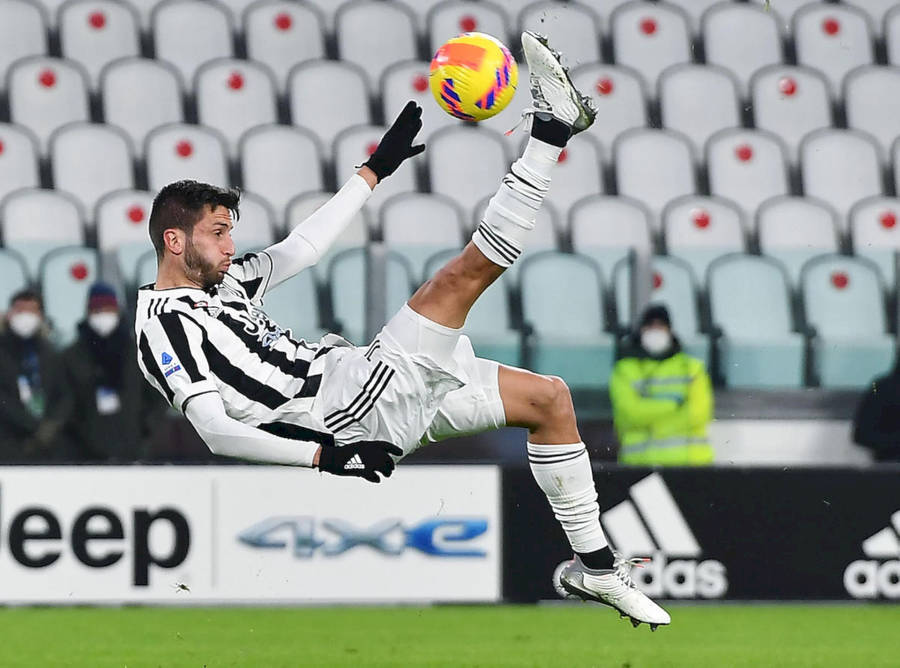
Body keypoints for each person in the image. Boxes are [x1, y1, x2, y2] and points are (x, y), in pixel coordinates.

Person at [135, 33, 669, 628]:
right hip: (344, 410)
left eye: (232, 231)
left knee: (549, 399)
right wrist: (321, 455)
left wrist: (373, 171)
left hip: (357, 388)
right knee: (460, 278)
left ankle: (594, 567)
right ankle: (551, 133)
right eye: (217, 233)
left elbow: (301, 250)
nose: (231, 246)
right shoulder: (163, 326)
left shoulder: (223, 281)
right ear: (174, 241)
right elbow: (215, 432)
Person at [61, 282, 166, 462]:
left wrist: (145, 430)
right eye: (97, 310)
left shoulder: (139, 353)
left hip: (133, 449)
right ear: (88, 313)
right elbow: (66, 403)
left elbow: (157, 397)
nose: (103, 316)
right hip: (85, 453)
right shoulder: (71, 357)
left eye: (108, 309)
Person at [610, 304, 714, 466]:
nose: (655, 331)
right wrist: (674, 405)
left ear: (670, 330)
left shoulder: (692, 368)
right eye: (650, 326)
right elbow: (628, 414)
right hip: (639, 467)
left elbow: (699, 414)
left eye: (660, 326)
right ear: (641, 331)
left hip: (691, 467)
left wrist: (651, 424)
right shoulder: (625, 370)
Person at [0, 289, 69, 462]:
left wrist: (49, 427)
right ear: (9, 314)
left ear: (40, 316)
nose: (25, 316)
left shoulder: (50, 354)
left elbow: (64, 395)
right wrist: (30, 425)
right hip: (7, 442)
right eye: (20, 310)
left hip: (46, 446)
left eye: (31, 311)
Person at [852, 362, 900, 462]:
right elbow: (862, 434)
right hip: (889, 467)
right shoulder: (881, 388)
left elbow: (861, 434)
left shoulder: (880, 387)